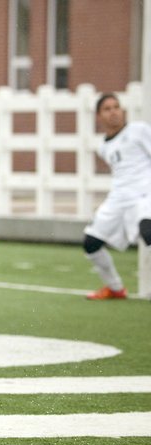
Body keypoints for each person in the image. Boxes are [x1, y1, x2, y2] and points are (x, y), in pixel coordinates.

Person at [83, 93, 151, 299]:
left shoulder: (139, 131)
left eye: (116, 107)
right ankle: (115, 288)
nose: (114, 112)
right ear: (98, 116)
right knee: (91, 243)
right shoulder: (104, 147)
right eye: (107, 109)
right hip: (119, 199)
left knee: (148, 232)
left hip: (145, 194)